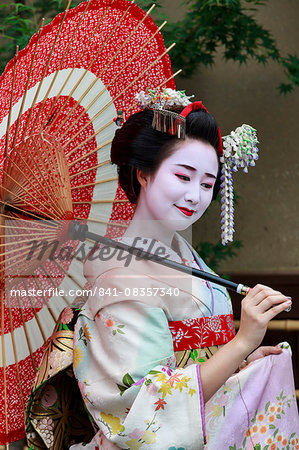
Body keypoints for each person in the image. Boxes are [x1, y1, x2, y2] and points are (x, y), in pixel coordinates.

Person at [26, 92, 299, 449]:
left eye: (206, 184)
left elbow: (197, 355)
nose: (195, 196)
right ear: (143, 174)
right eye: (183, 176)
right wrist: (242, 342)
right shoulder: (118, 278)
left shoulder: (181, 254)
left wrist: (241, 359)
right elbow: (145, 405)